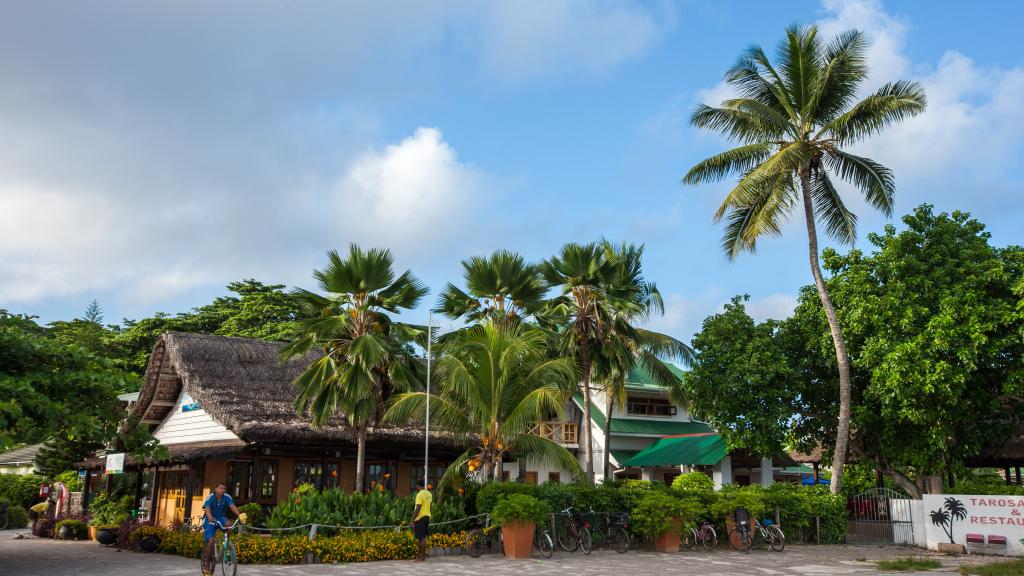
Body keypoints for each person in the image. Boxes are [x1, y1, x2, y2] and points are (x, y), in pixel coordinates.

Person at [201, 482, 246, 576]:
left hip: (220, 518)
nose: (223, 490)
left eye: (224, 488)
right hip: (210, 520)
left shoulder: (227, 497)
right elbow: (207, 509)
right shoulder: (210, 497)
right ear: (216, 489)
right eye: (221, 488)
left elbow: (232, 506)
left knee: (229, 525)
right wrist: (209, 517)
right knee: (211, 541)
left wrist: (239, 515)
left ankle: (227, 545)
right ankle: (206, 565)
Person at [410, 480, 432, 562]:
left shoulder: (419, 495)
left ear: (418, 486)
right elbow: (430, 506)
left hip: (420, 518)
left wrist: (412, 520)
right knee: (422, 538)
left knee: (421, 538)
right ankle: (419, 556)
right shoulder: (429, 494)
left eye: (417, 486)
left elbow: (418, 508)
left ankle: (422, 558)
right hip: (427, 517)